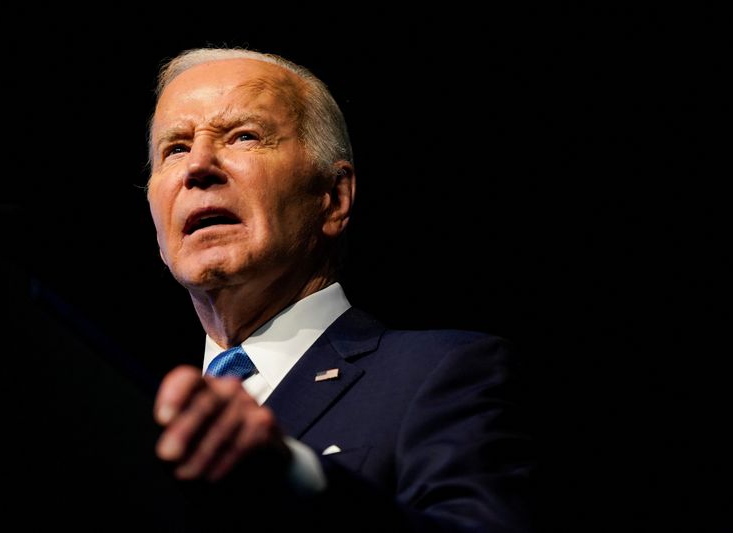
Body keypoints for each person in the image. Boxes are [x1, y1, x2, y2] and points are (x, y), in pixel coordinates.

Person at [146, 47, 532, 532]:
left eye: (244, 137)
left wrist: (297, 477)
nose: (197, 167)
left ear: (333, 198)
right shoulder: (145, 423)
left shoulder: (440, 373)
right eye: (175, 148)